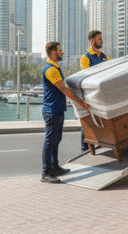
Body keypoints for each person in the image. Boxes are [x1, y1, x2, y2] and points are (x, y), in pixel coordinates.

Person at [41, 41, 91, 184]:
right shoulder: (51, 69)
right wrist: (82, 103)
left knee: (56, 140)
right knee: (50, 142)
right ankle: (46, 172)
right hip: (52, 111)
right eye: (60, 50)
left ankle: (55, 166)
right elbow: (64, 89)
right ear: (53, 53)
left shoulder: (55, 67)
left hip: (57, 109)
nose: (62, 52)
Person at [77, 30, 110, 153]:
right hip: (90, 96)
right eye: (99, 39)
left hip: (102, 96)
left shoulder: (104, 56)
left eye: (101, 38)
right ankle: (84, 148)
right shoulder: (85, 58)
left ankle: (100, 143)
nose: (101, 41)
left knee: (100, 120)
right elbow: (86, 78)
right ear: (92, 41)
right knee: (88, 122)